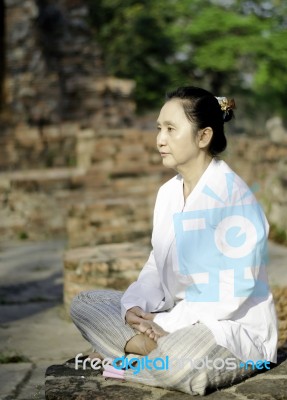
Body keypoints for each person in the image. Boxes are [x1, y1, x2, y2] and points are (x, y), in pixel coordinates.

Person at [70, 86, 278, 395]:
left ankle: (126, 358)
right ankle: (148, 352)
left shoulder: (233, 198)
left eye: (170, 129)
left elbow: (230, 292)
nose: (160, 139)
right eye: (158, 129)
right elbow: (157, 262)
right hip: (171, 319)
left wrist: (166, 322)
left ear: (203, 136)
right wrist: (136, 308)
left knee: (181, 361)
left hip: (225, 328)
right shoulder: (168, 193)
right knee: (85, 304)